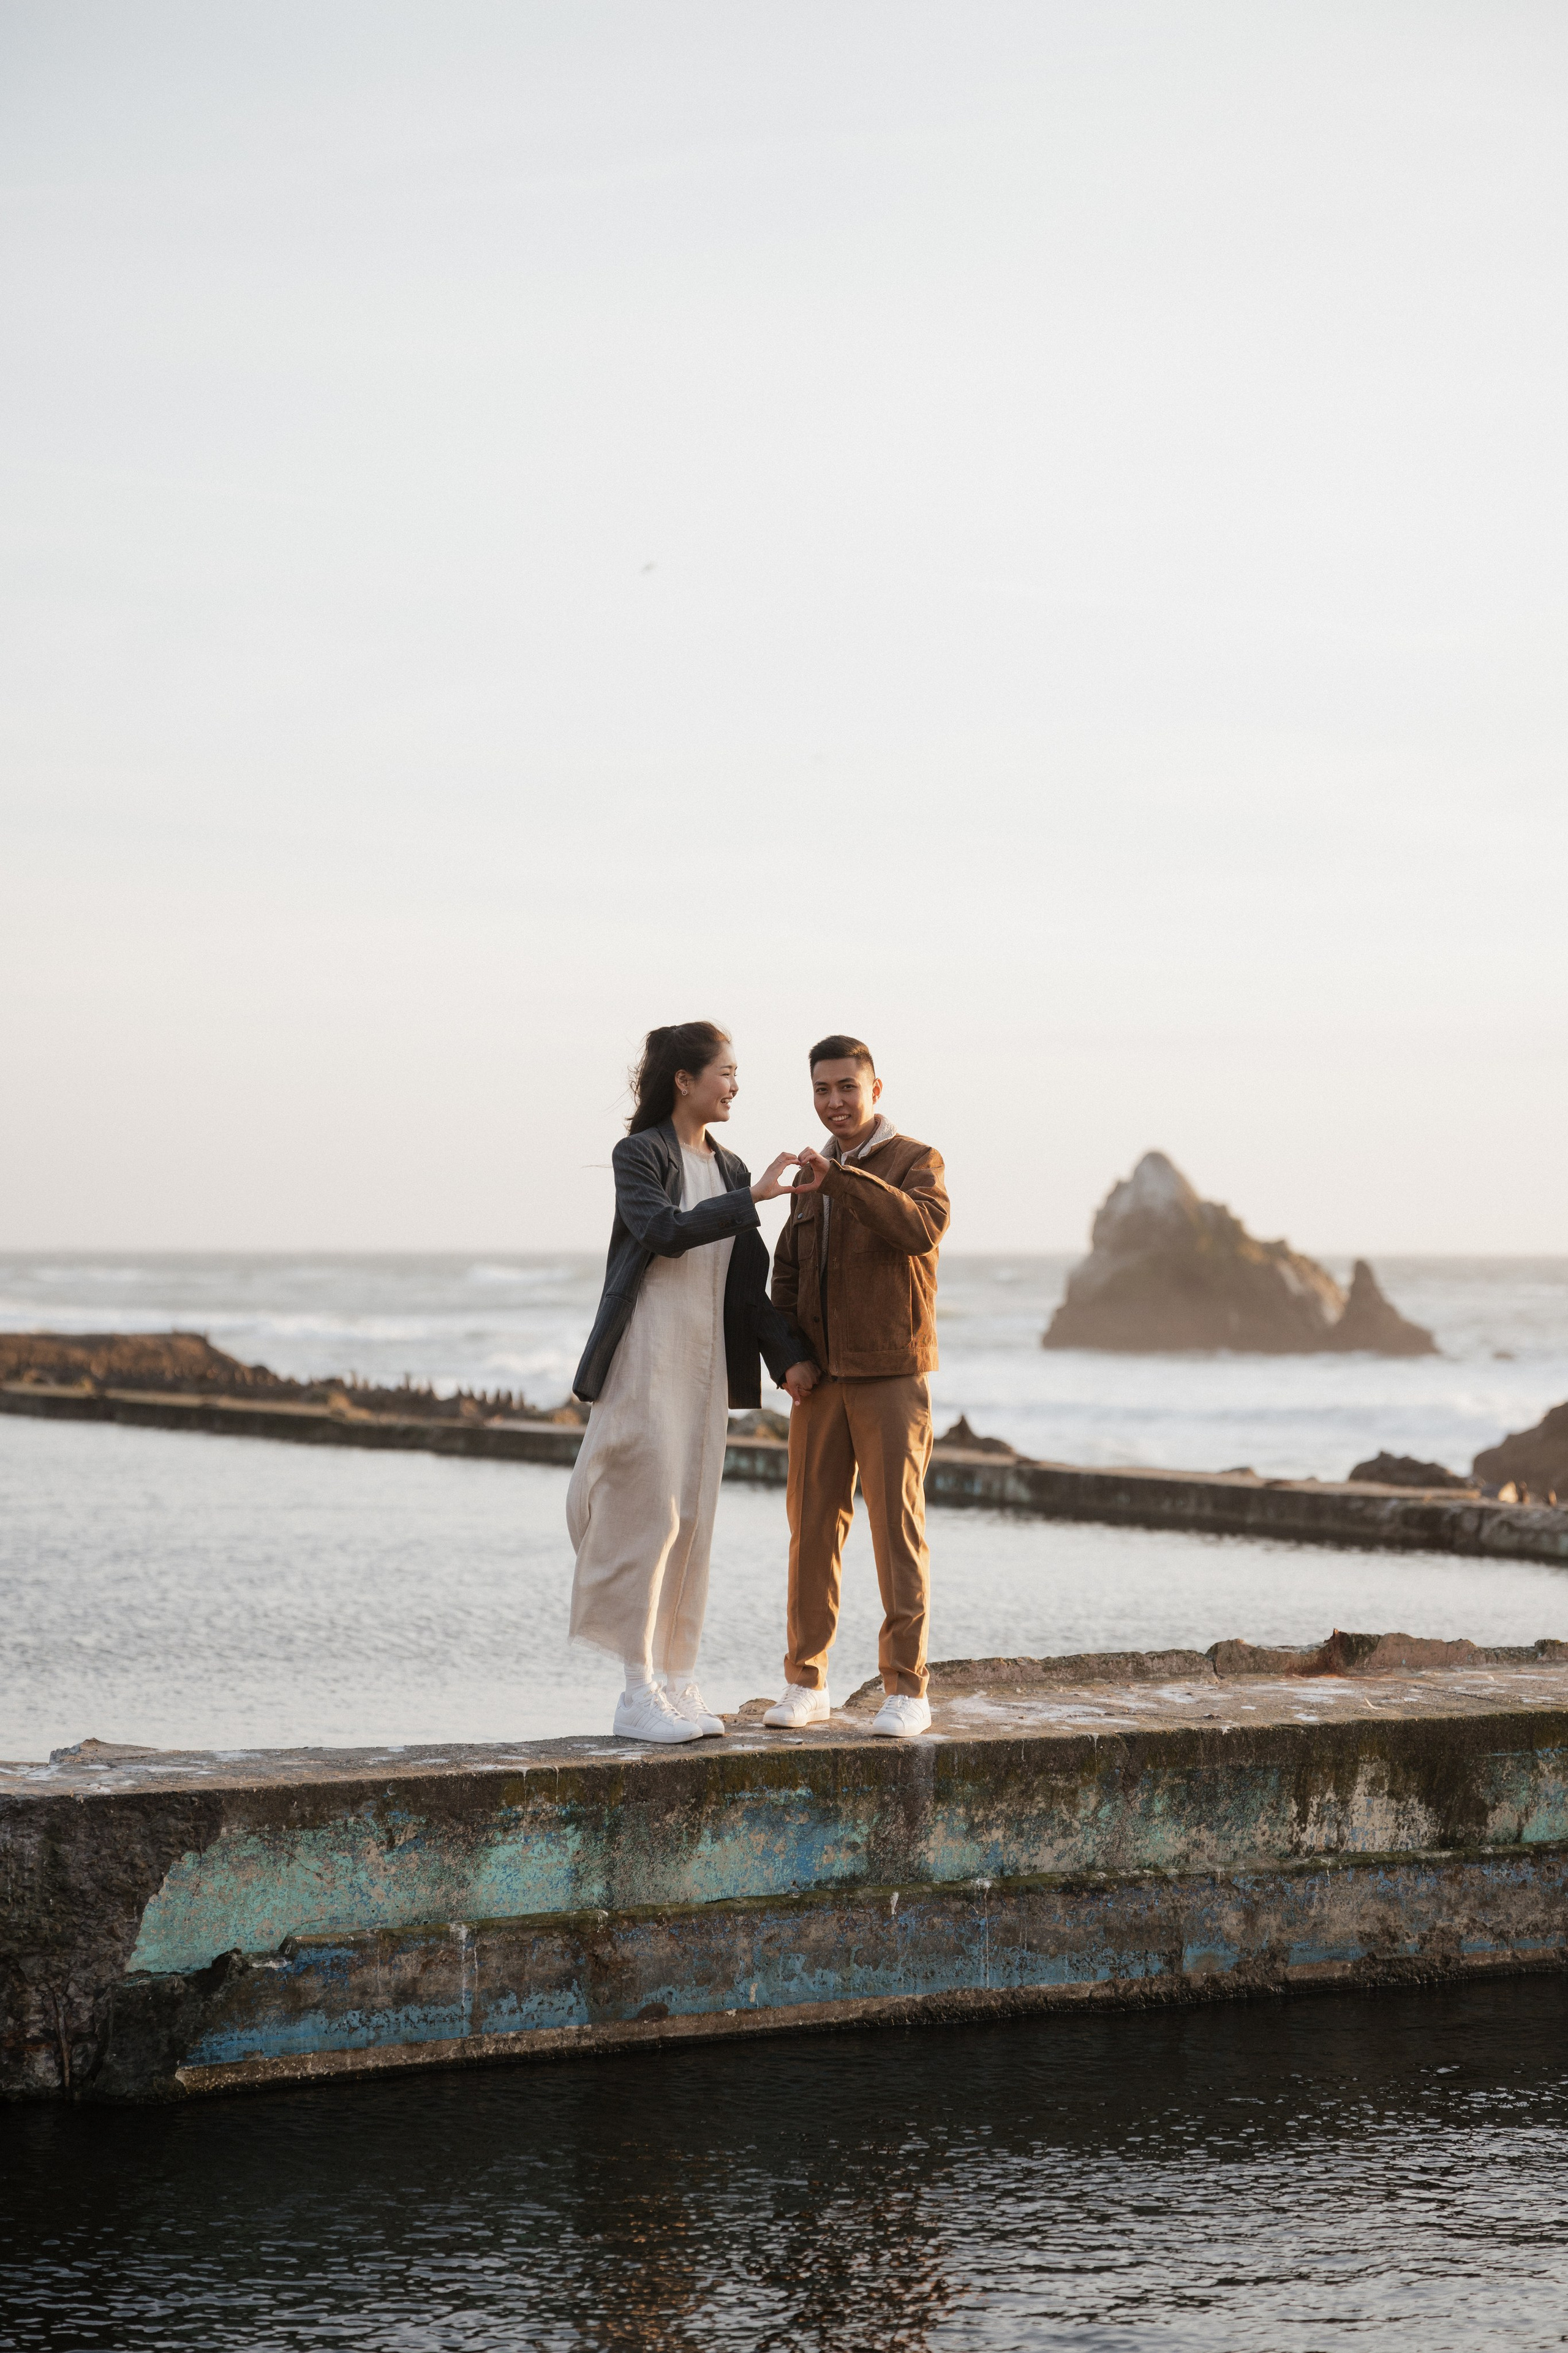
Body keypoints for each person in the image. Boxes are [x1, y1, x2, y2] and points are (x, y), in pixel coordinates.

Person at [567, 1021, 820, 1743]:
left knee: (694, 1523)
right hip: (648, 1353)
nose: (735, 1086)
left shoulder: (734, 1168)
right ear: (685, 1080)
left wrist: (786, 1359)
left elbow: (746, 1286)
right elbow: (663, 1231)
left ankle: (678, 1682)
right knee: (648, 1515)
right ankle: (635, 1691)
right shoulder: (638, 1156)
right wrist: (757, 1200)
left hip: (706, 1363)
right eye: (725, 1073)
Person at [764, 1035, 949, 1739]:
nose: (833, 1101)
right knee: (809, 1532)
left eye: (846, 1086)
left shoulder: (916, 1161)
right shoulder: (811, 1177)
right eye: (821, 1089)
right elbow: (785, 1276)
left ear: (875, 1089)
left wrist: (841, 1181)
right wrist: (787, 1359)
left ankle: (908, 1688)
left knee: (895, 1532)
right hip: (820, 1382)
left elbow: (919, 1228)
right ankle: (804, 1681)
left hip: (892, 1374)